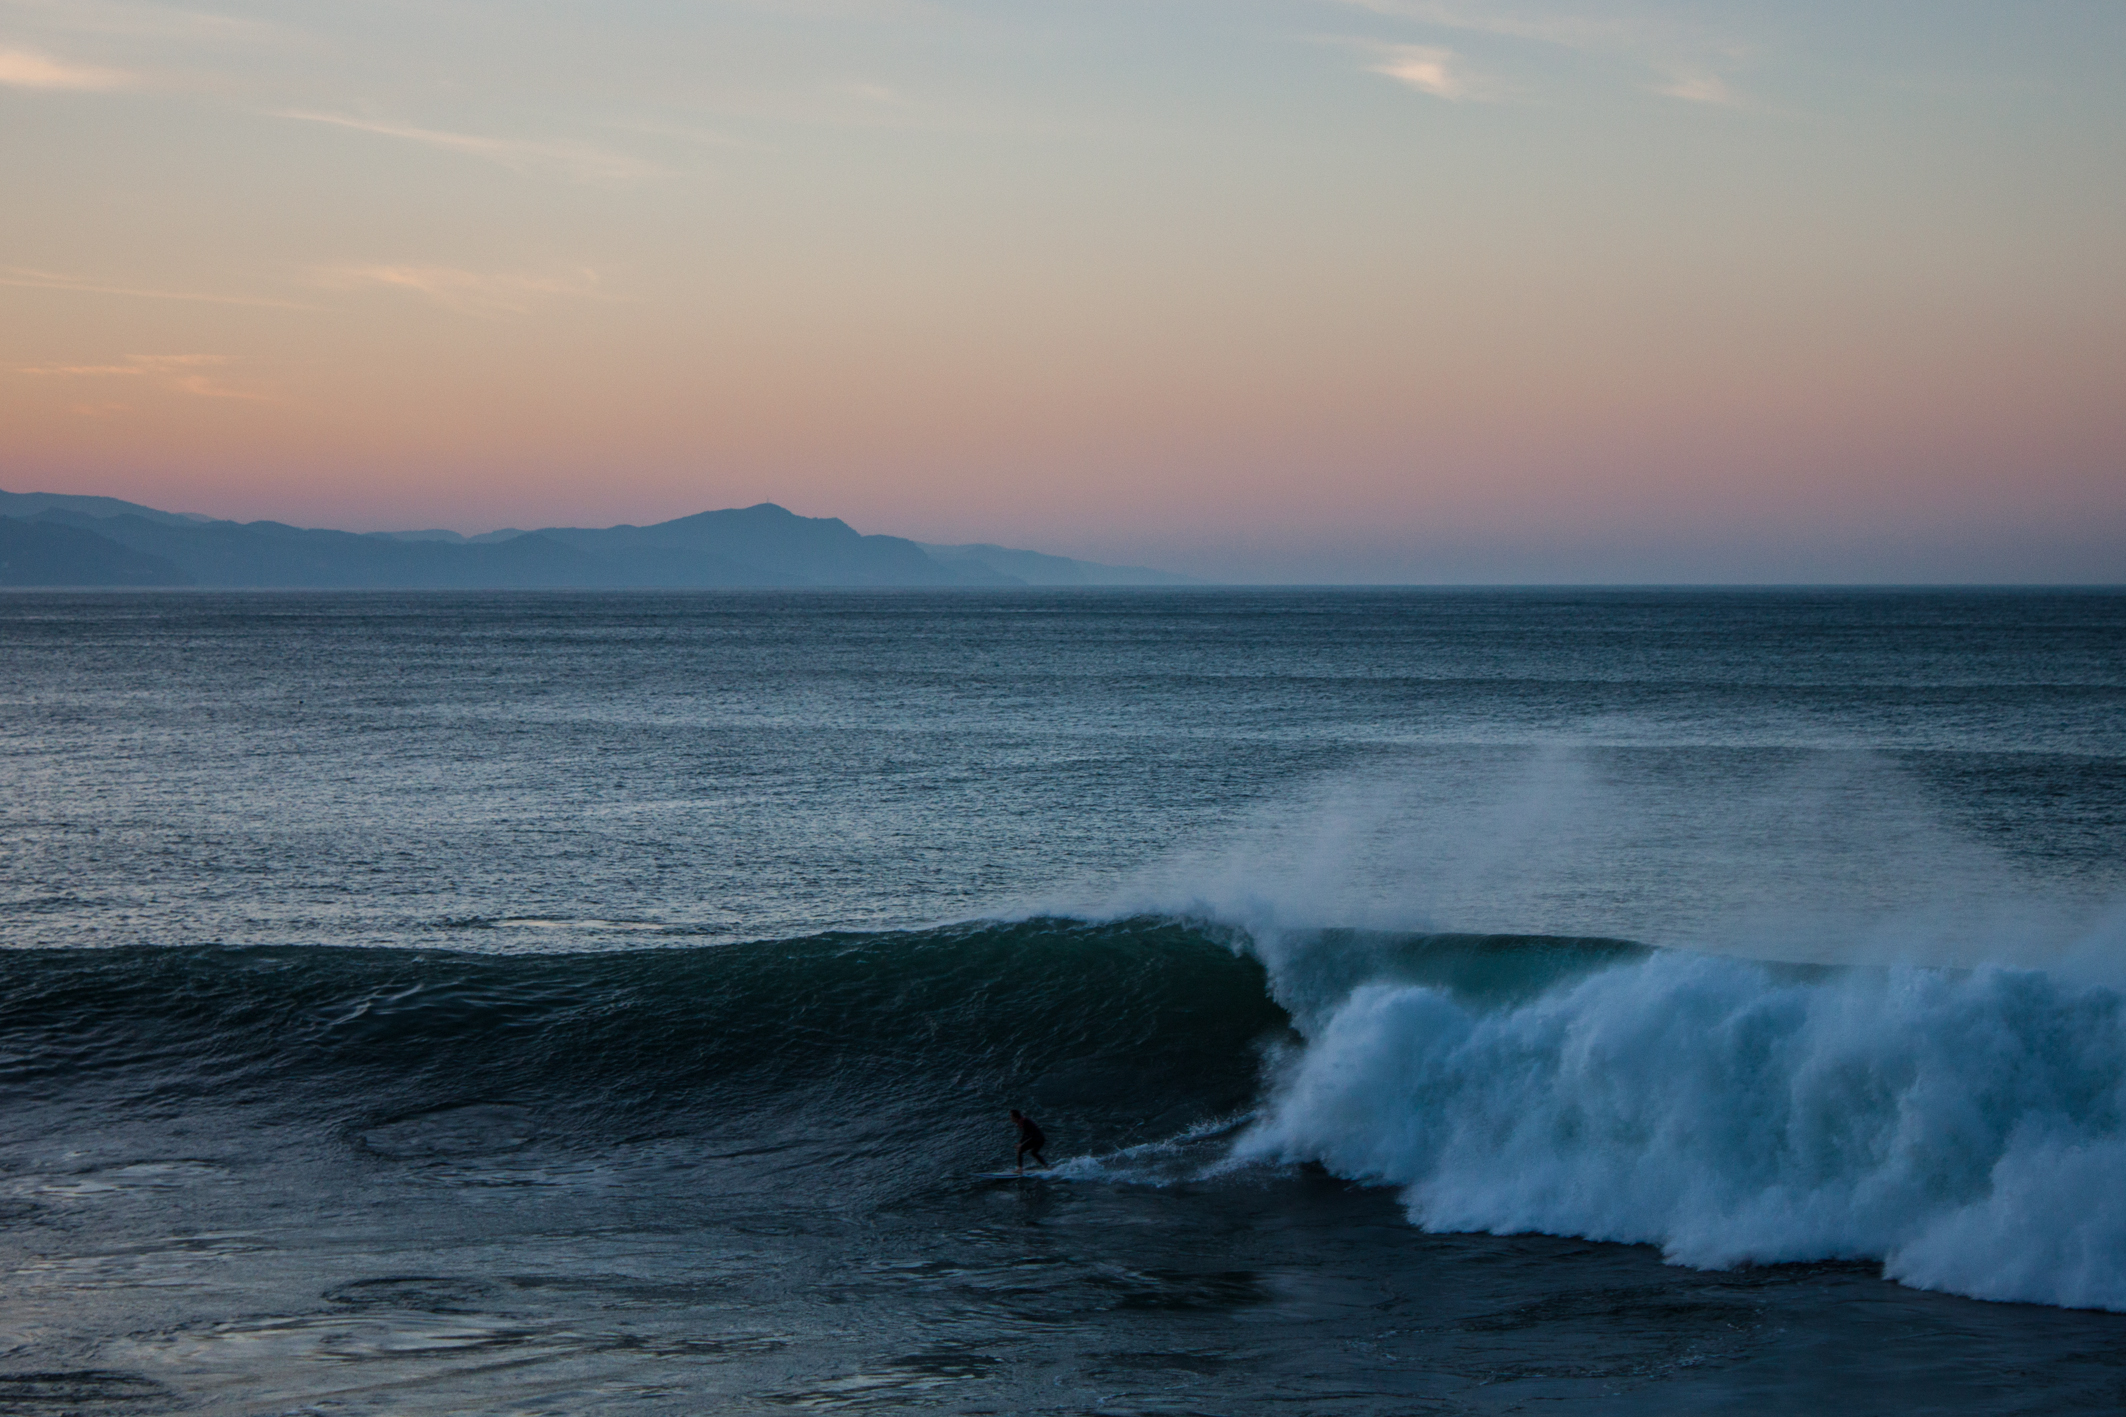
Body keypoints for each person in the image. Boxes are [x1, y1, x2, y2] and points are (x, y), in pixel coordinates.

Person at [1009, 1109, 1047, 1173]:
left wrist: (1020, 1143)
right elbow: (1026, 1134)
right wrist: (1020, 1142)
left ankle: (1020, 1169)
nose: (1010, 1118)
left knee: (1020, 1150)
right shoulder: (1022, 1121)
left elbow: (1028, 1134)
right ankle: (1047, 1166)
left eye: (1011, 1117)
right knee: (1033, 1152)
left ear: (1015, 1117)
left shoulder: (1025, 1122)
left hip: (1037, 1139)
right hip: (1039, 1139)